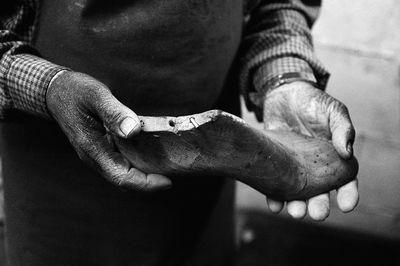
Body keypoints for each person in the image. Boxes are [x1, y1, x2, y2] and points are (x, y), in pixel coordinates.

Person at [0, 0, 358, 265]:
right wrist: (50, 89)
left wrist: (283, 77)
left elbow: (276, 4)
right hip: (60, 195)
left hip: (208, 185)